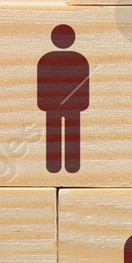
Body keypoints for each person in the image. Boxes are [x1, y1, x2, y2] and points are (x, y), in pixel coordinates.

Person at [35, 23, 89, 174]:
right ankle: (69, 167)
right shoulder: (80, 58)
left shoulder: (46, 59)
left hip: (57, 105)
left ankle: (56, 167)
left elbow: (84, 82)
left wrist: (43, 103)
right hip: (68, 105)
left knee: (56, 135)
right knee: (67, 135)